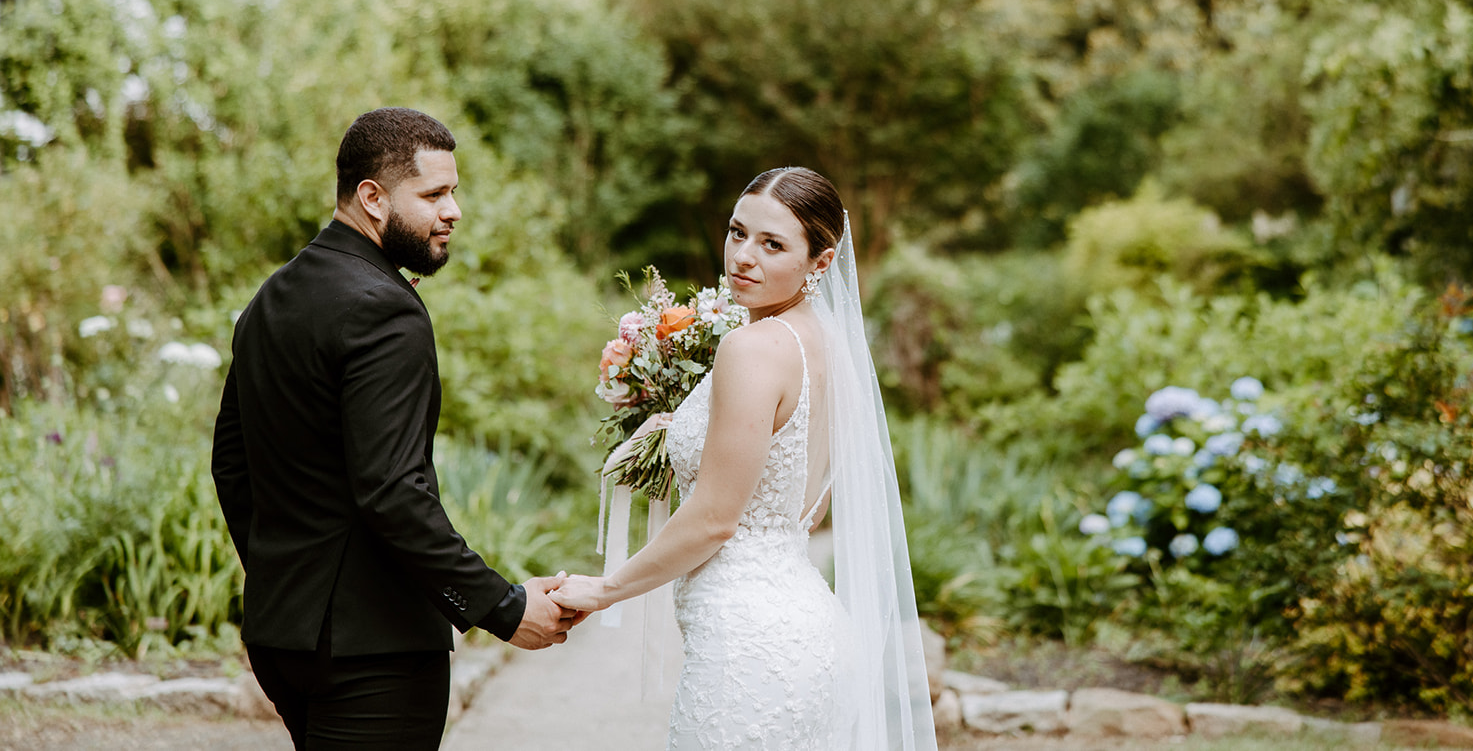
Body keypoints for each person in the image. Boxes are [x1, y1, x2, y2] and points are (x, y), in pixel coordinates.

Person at [212, 107, 578, 751]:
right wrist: (504, 607)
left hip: (282, 641)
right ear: (372, 198)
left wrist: (287, 583)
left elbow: (231, 465)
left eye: (454, 191)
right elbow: (391, 491)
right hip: (374, 653)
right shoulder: (386, 311)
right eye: (434, 194)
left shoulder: (270, 299)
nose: (454, 210)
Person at [551, 167, 938, 750]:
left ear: (822, 262)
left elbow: (715, 518)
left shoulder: (752, 346)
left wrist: (604, 590)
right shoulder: (829, 346)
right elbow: (803, 495)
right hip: (812, 634)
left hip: (748, 654)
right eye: (737, 233)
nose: (744, 257)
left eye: (773, 244)